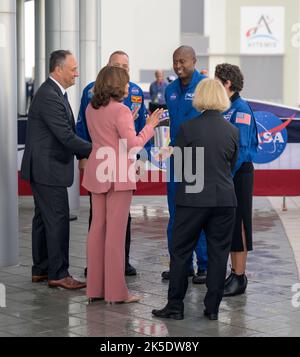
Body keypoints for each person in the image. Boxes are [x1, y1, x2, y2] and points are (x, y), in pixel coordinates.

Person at [152, 79, 239, 321]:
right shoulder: (232, 131)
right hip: (224, 200)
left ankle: (175, 306)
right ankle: (212, 309)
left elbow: (177, 167)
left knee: (180, 252)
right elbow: (231, 166)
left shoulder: (188, 128)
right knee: (218, 254)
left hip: (192, 200)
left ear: (200, 98)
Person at [82, 66, 162, 303]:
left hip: (98, 170)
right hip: (118, 174)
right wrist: (150, 126)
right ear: (117, 85)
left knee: (97, 229)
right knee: (115, 235)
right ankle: (117, 293)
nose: (129, 88)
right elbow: (135, 145)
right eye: (126, 84)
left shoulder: (90, 108)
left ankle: (95, 289)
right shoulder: (121, 110)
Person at [21, 50, 92, 289]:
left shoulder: (53, 93)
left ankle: (41, 270)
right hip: (47, 169)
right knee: (58, 220)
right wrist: (98, 149)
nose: (77, 73)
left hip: (43, 168)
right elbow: (65, 136)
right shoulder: (50, 95)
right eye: (73, 69)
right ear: (58, 69)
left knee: (43, 218)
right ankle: (59, 274)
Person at [77, 51, 150, 277]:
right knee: (98, 217)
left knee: (122, 217)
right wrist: (83, 156)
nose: (121, 70)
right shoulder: (91, 91)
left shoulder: (135, 91)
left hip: (124, 163)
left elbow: (138, 124)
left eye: (125, 66)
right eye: (116, 65)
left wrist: (139, 158)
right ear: (107, 67)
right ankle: (96, 264)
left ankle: (122, 262)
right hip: (100, 162)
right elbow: (82, 126)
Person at [162, 46, 208, 284]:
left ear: (194, 60)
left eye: (182, 61)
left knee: (198, 214)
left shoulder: (205, 87)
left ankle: (204, 265)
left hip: (198, 158)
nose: (178, 65)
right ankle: (180, 264)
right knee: (176, 214)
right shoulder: (169, 89)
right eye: (174, 61)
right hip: (175, 159)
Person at [215, 63, 259, 297]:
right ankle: (234, 272)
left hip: (238, 173)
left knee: (240, 224)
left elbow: (240, 150)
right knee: (231, 225)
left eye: (217, 81)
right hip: (227, 174)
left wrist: (226, 176)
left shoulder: (240, 108)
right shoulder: (225, 107)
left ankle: (240, 277)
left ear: (227, 83)